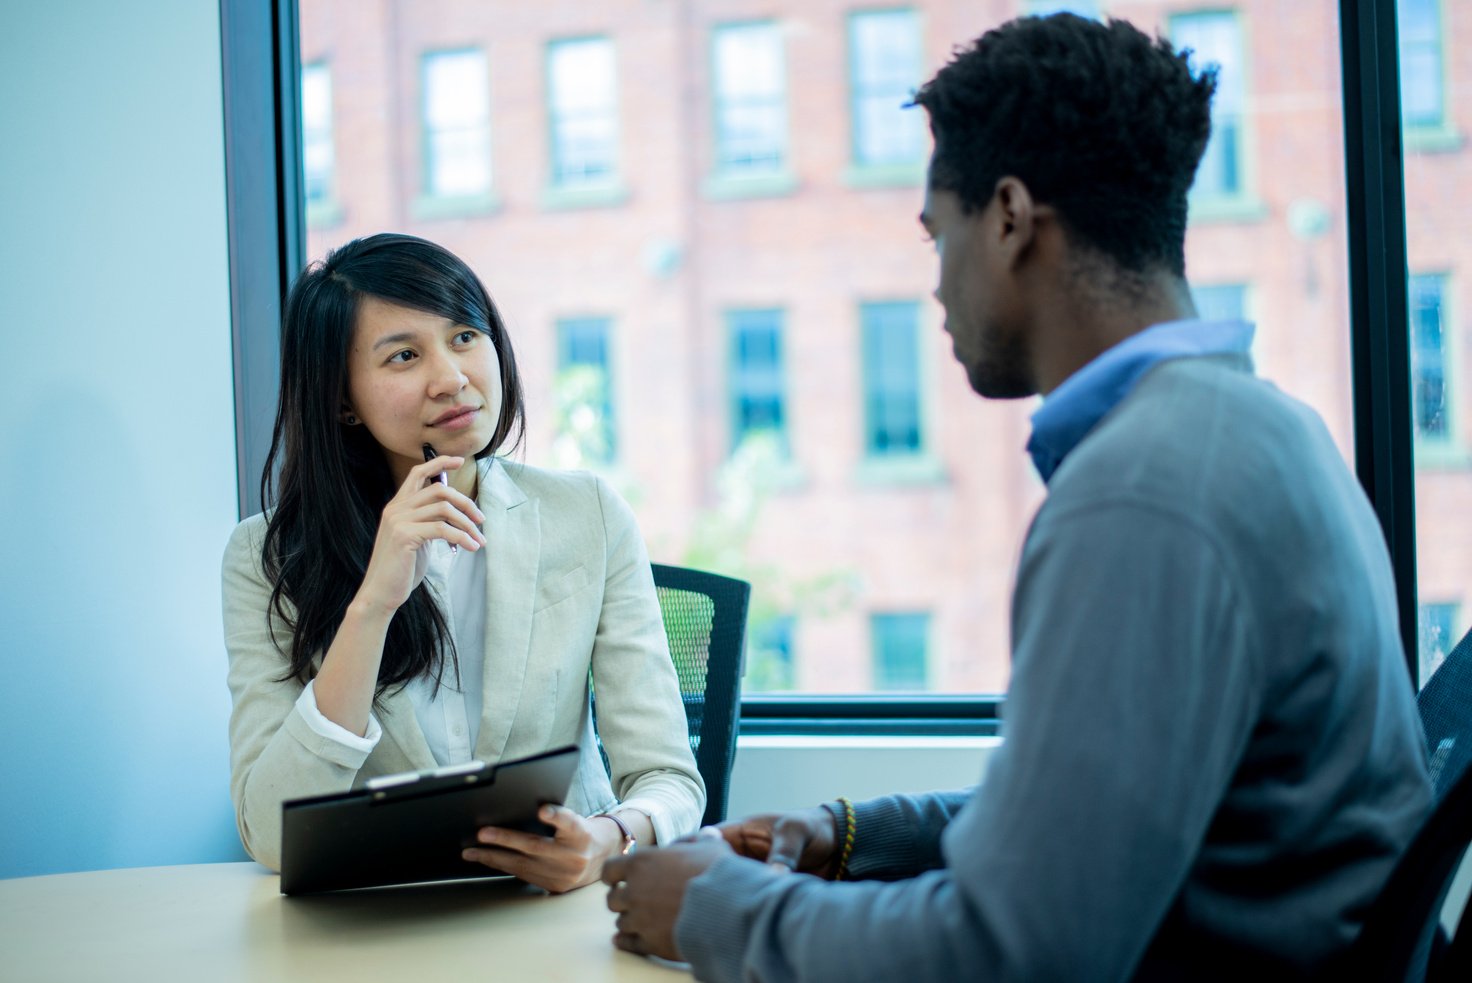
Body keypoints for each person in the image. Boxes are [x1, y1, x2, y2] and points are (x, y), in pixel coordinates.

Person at [603, 13, 1431, 979]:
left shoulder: (1144, 496)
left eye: (936, 237)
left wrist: (715, 909)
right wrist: (853, 832)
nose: (938, 290)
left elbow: (1014, 953)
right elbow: (1099, 810)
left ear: (1007, 217)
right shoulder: (1264, 427)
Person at [222, 233, 704, 893]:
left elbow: (669, 779)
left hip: (551, 909)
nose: (451, 377)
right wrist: (373, 605)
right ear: (341, 398)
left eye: (464, 337)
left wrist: (610, 835)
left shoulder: (586, 515)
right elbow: (269, 833)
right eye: (404, 355)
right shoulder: (264, 558)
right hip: (374, 920)